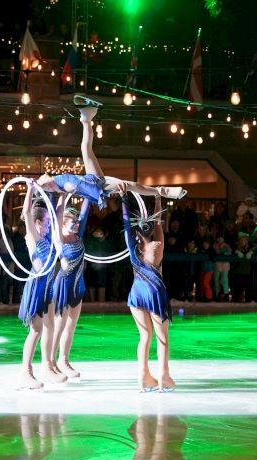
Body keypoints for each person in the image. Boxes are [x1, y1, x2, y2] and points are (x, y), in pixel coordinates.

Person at [36, 96, 187, 206]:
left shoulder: (56, 183)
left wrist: (38, 185)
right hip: (97, 186)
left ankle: (87, 116)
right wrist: (98, 194)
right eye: (42, 182)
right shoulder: (59, 186)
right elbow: (81, 189)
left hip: (92, 179)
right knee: (128, 185)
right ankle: (163, 192)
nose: (42, 177)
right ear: (45, 188)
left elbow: (48, 179)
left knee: (85, 149)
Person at [119, 187, 175, 392]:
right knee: (162, 338)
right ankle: (163, 376)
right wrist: (158, 198)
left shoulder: (132, 247)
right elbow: (160, 222)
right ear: (151, 230)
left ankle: (143, 377)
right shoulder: (156, 245)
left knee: (145, 337)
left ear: (136, 232)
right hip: (154, 293)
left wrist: (124, 198)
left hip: (136, 293)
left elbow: (126, 225)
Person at [18, 182, 67, 389]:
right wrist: (30, 188)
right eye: (46, 222)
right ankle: (25, 372)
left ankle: (47, 366)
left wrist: (64, 196)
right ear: (37, 222)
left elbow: (57, 216)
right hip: (37, 284)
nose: (49, 225)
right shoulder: (33, 236)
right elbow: (27, 211)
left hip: (48, 283)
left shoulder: (47, 235)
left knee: (50, 326)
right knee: (36, 329)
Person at [50, 195, 91, 379]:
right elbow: (56, 216)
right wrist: (61, 196)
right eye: (72, 221)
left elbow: (85, 211)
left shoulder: (77, 236)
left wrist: (89, 194)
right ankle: (50, 363)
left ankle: (64, 360)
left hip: (78, 284)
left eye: (76, 221)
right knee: (59, 326)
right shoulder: (59, 238)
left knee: (71, 325)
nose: (76, 223)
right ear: (63, 222)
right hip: (64, 285)